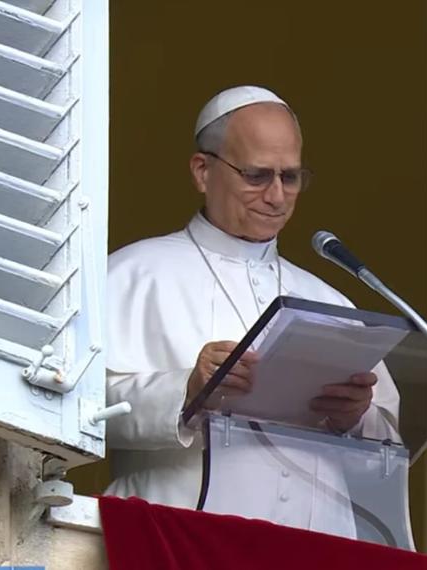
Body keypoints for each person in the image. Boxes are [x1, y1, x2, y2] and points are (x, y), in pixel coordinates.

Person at [104, 86, 400, 537]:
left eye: (291, 177)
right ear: (203, 171)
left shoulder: (332, 302)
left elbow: (386, 451)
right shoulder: (131, 274)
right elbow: (78, 411)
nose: (277, 197)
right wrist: (185, 391)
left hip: (316, 546)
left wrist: (357, 417)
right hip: (176, 539)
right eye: (258, 175)